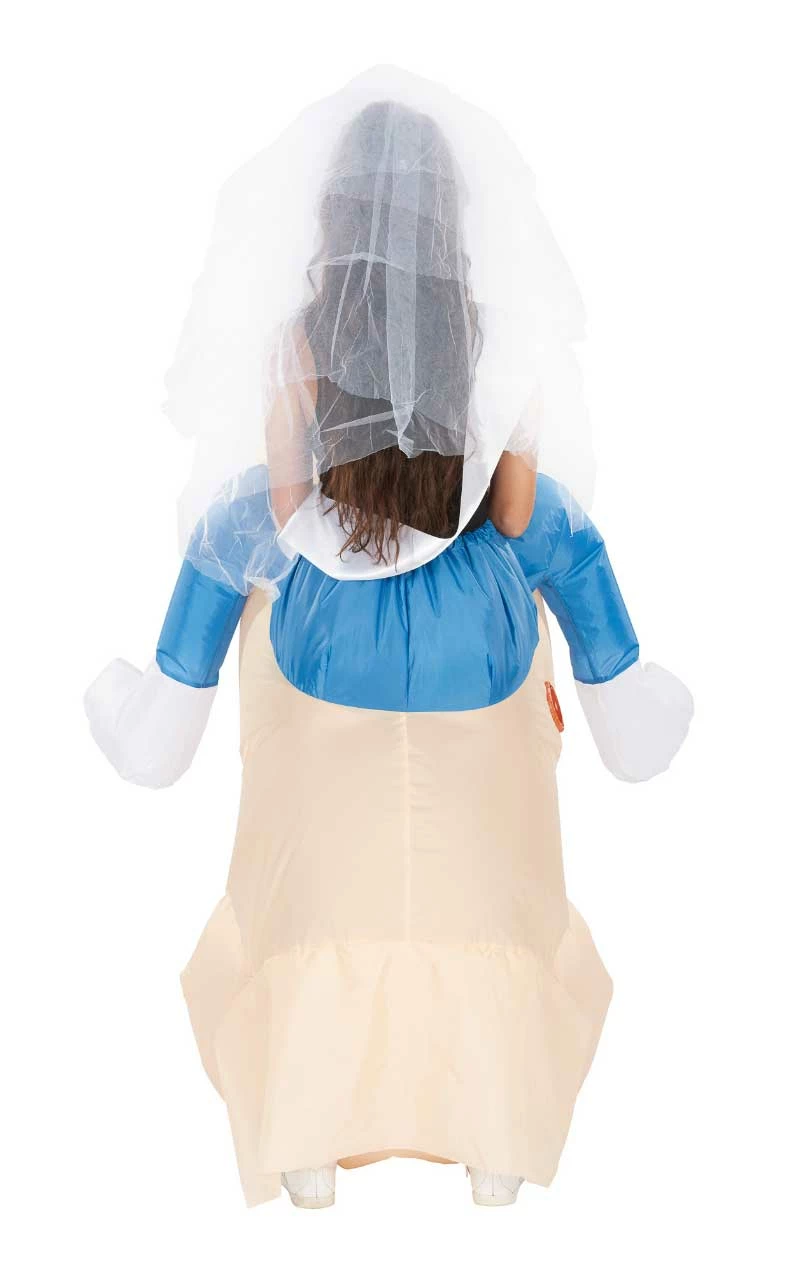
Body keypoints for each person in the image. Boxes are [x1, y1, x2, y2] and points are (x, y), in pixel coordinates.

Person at [85, 70, 693, 1209]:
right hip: (480, 644)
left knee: (242, 580)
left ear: (332, 224)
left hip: (326, 651)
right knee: (495, 854)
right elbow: (525, 515)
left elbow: (278, 519)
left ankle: (308, 1137)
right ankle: (494, 1143)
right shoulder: (486, 345)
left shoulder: (297, 350)